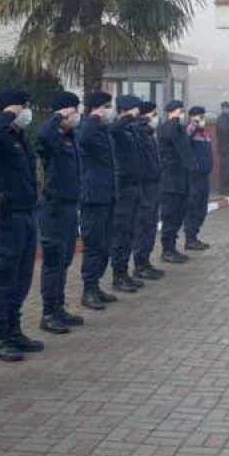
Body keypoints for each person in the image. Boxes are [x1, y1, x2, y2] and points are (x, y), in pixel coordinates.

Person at [0, 88, 45, 363]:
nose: (27, 111)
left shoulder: (18, 137)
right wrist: (8, 114)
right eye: (24, 106)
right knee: (5, 278)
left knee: (22, 277)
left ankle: (14, 328)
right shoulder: (0, 136)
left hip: (26, 214)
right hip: (6, 216)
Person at [35, 92, 85, 334]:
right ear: (65, 111)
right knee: (53, 260)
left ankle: (59, 307)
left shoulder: (70, 137)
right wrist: (58, 118)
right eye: (75, 110)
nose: (78, 115)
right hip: (54, 206)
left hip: (70, 206)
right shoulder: (51, 134)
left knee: (65, 259)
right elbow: (43, 136)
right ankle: (48, 312)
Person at [78, 91, 119, 310]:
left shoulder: (103, 132)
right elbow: (83, 138)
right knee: (94, 244)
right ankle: (89, 289)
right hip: (93, 197)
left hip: (107, 195)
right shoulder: (88, 128)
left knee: (105, 245)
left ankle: (96, 285)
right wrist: (94, 116)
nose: (109, 110)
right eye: (106, 106)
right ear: (95, 108)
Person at [108, 94, 147, 293]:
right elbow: (112, 128)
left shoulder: (131, 130)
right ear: (124, 110)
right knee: (121, 233)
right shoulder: (117, 128)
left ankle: (124, 273)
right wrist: (126, 118)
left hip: (134, 187)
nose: (138, 112)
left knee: (130, 232)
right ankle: (118, 276)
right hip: (122, 188)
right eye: (134, 109)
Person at [131, 101, 166, 280]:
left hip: (154, 185)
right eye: (152, 114)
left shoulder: (150, 134)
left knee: (151, 225)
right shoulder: (139, 133)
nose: (155, 118)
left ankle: (146, 261)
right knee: (143, 225)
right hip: (144, 186)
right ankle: (139, 263)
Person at [156, 100, 192, 263]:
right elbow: (175, 146)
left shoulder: (179, 128)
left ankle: (172, 247)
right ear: (173, 111)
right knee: (170, 216)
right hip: (170, 180)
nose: (182, 114)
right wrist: (175, 121)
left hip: (180, 179)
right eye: (180, 111)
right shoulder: (169, 127)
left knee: (178, 215)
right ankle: (167, 250)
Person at [184, 106, 213, 251]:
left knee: (201, 208)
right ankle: (190, 238)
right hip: (194, 176)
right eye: (200, 117)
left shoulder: (204, 134)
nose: (203, 119)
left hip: (204, 175)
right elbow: (185, 140)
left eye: (203, 117)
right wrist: (194, 125)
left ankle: (195, 236)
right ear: (192, 117)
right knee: (193, 208)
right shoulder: (190, 130)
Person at [216, 101, 229, 195]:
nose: (226, 109)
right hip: (224, 145)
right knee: (225, 168)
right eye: (225, 107)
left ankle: (228, 187)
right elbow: (222, 129)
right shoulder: (221, 118)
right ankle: (223, 188)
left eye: (227, 107)